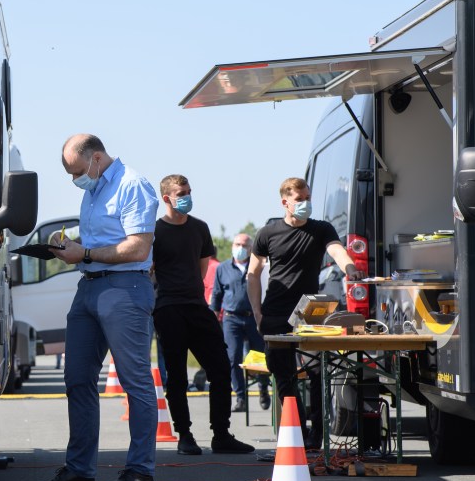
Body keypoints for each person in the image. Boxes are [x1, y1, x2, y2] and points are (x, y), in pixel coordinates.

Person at [33, 134, 158, 481]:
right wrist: (70, 247)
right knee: (77, 378)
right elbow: (103, 239)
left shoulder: (132, 184)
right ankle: (80, 469)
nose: (75, 180)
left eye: (77, 171)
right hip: (90, 287)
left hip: (125, 288)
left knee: (135, 381)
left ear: (96, 158)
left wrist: (84, 252)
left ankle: (140, 472)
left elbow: (137, 247)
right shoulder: (94, 189)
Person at [246, 177, 362, 449]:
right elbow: (253, 273)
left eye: (308, 198)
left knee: (318, 373)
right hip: (274, 313)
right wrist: (257, 314)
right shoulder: (267, 232)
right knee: (284, 376)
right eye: (299, 200)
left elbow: (336, 250)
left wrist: (349, 268)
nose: (305, 204)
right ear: (285, 202)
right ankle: (296, 431)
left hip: (310, 314)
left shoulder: (321, 229)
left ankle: (317, 433)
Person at [151, 174, 254, 455]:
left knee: (220, 368)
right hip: (168, 309)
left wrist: (195, 295)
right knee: (176, 376)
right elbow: (150, 273)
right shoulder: (155, 231)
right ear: (167, 198)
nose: (187, 196)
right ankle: (184, 434)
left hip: (197, 307)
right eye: (181, 192)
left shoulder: (200, 228)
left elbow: (201, 269)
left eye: (188, 191)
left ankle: (221, 434)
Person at [210, 233, 271, 413]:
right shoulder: (222, 268)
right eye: (237, 244)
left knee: (260, 357)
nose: (240, 248)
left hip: (254, 317)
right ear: (232, 246)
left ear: (251, 248)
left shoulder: (260, 267)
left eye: (244, 245)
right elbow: (217, 294)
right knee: (232, 358)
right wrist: (213, 317)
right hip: (231, 318)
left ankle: (263, 389)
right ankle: (240, 397)